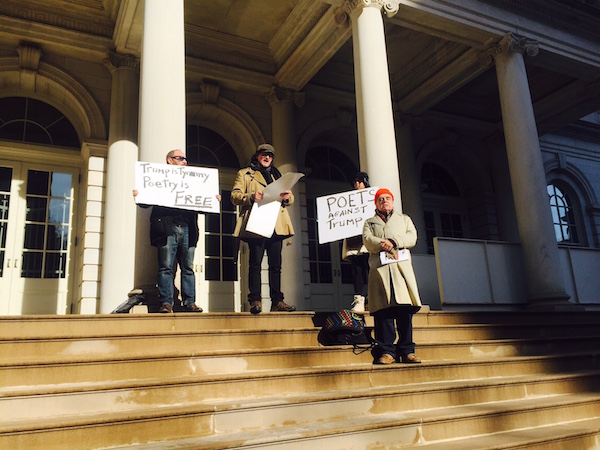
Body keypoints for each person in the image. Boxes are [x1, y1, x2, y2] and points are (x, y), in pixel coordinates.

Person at [133, 149, 203, 314]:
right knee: (165, 267)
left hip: (188, 229)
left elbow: (204, 204)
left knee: (188, 267)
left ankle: (190, 302)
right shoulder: (158, 178)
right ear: (170, 161)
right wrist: (139, 195)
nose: (185, 162)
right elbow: (145, 202)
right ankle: (166, 303)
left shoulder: (193, 180)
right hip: (167, 228)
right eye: (180, 158)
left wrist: (213, 200)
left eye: (186, 159)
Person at [231, 143, 297, 314]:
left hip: (276, 224)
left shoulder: (277, 175)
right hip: (258, 223)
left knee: (276, 265)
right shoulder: (245, 174)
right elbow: (234, 196)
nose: (267, 158)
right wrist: (251, 196)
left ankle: (278, 301)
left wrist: (287, 197)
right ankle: (255, 300)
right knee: (255, 264)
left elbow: (290, 200)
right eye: (264, 155)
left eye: (270, 155)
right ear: (257, 156)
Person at [362, 188, 422, 364]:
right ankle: (387, 352)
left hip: (400, 271)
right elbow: (367, 240)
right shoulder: (370, 223)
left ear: (393, 201)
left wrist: (395, 242)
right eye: (381, 199)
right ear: (376, 204)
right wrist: (383, 244)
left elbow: (412, 237)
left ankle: (407, 350)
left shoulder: (404, 219)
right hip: (380, 271)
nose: (384, 201)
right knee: (384, 312)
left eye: (387, 198)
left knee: (404, 311)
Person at [342, 172, 371, 313]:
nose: (357, 184)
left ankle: (372, 298)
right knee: (357, 270)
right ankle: (359, 300)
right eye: (355, 181)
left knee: (371, 269)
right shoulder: (348, 200)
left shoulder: (372, 199)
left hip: (369, 240)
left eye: (360, 181)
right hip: (355, 240)